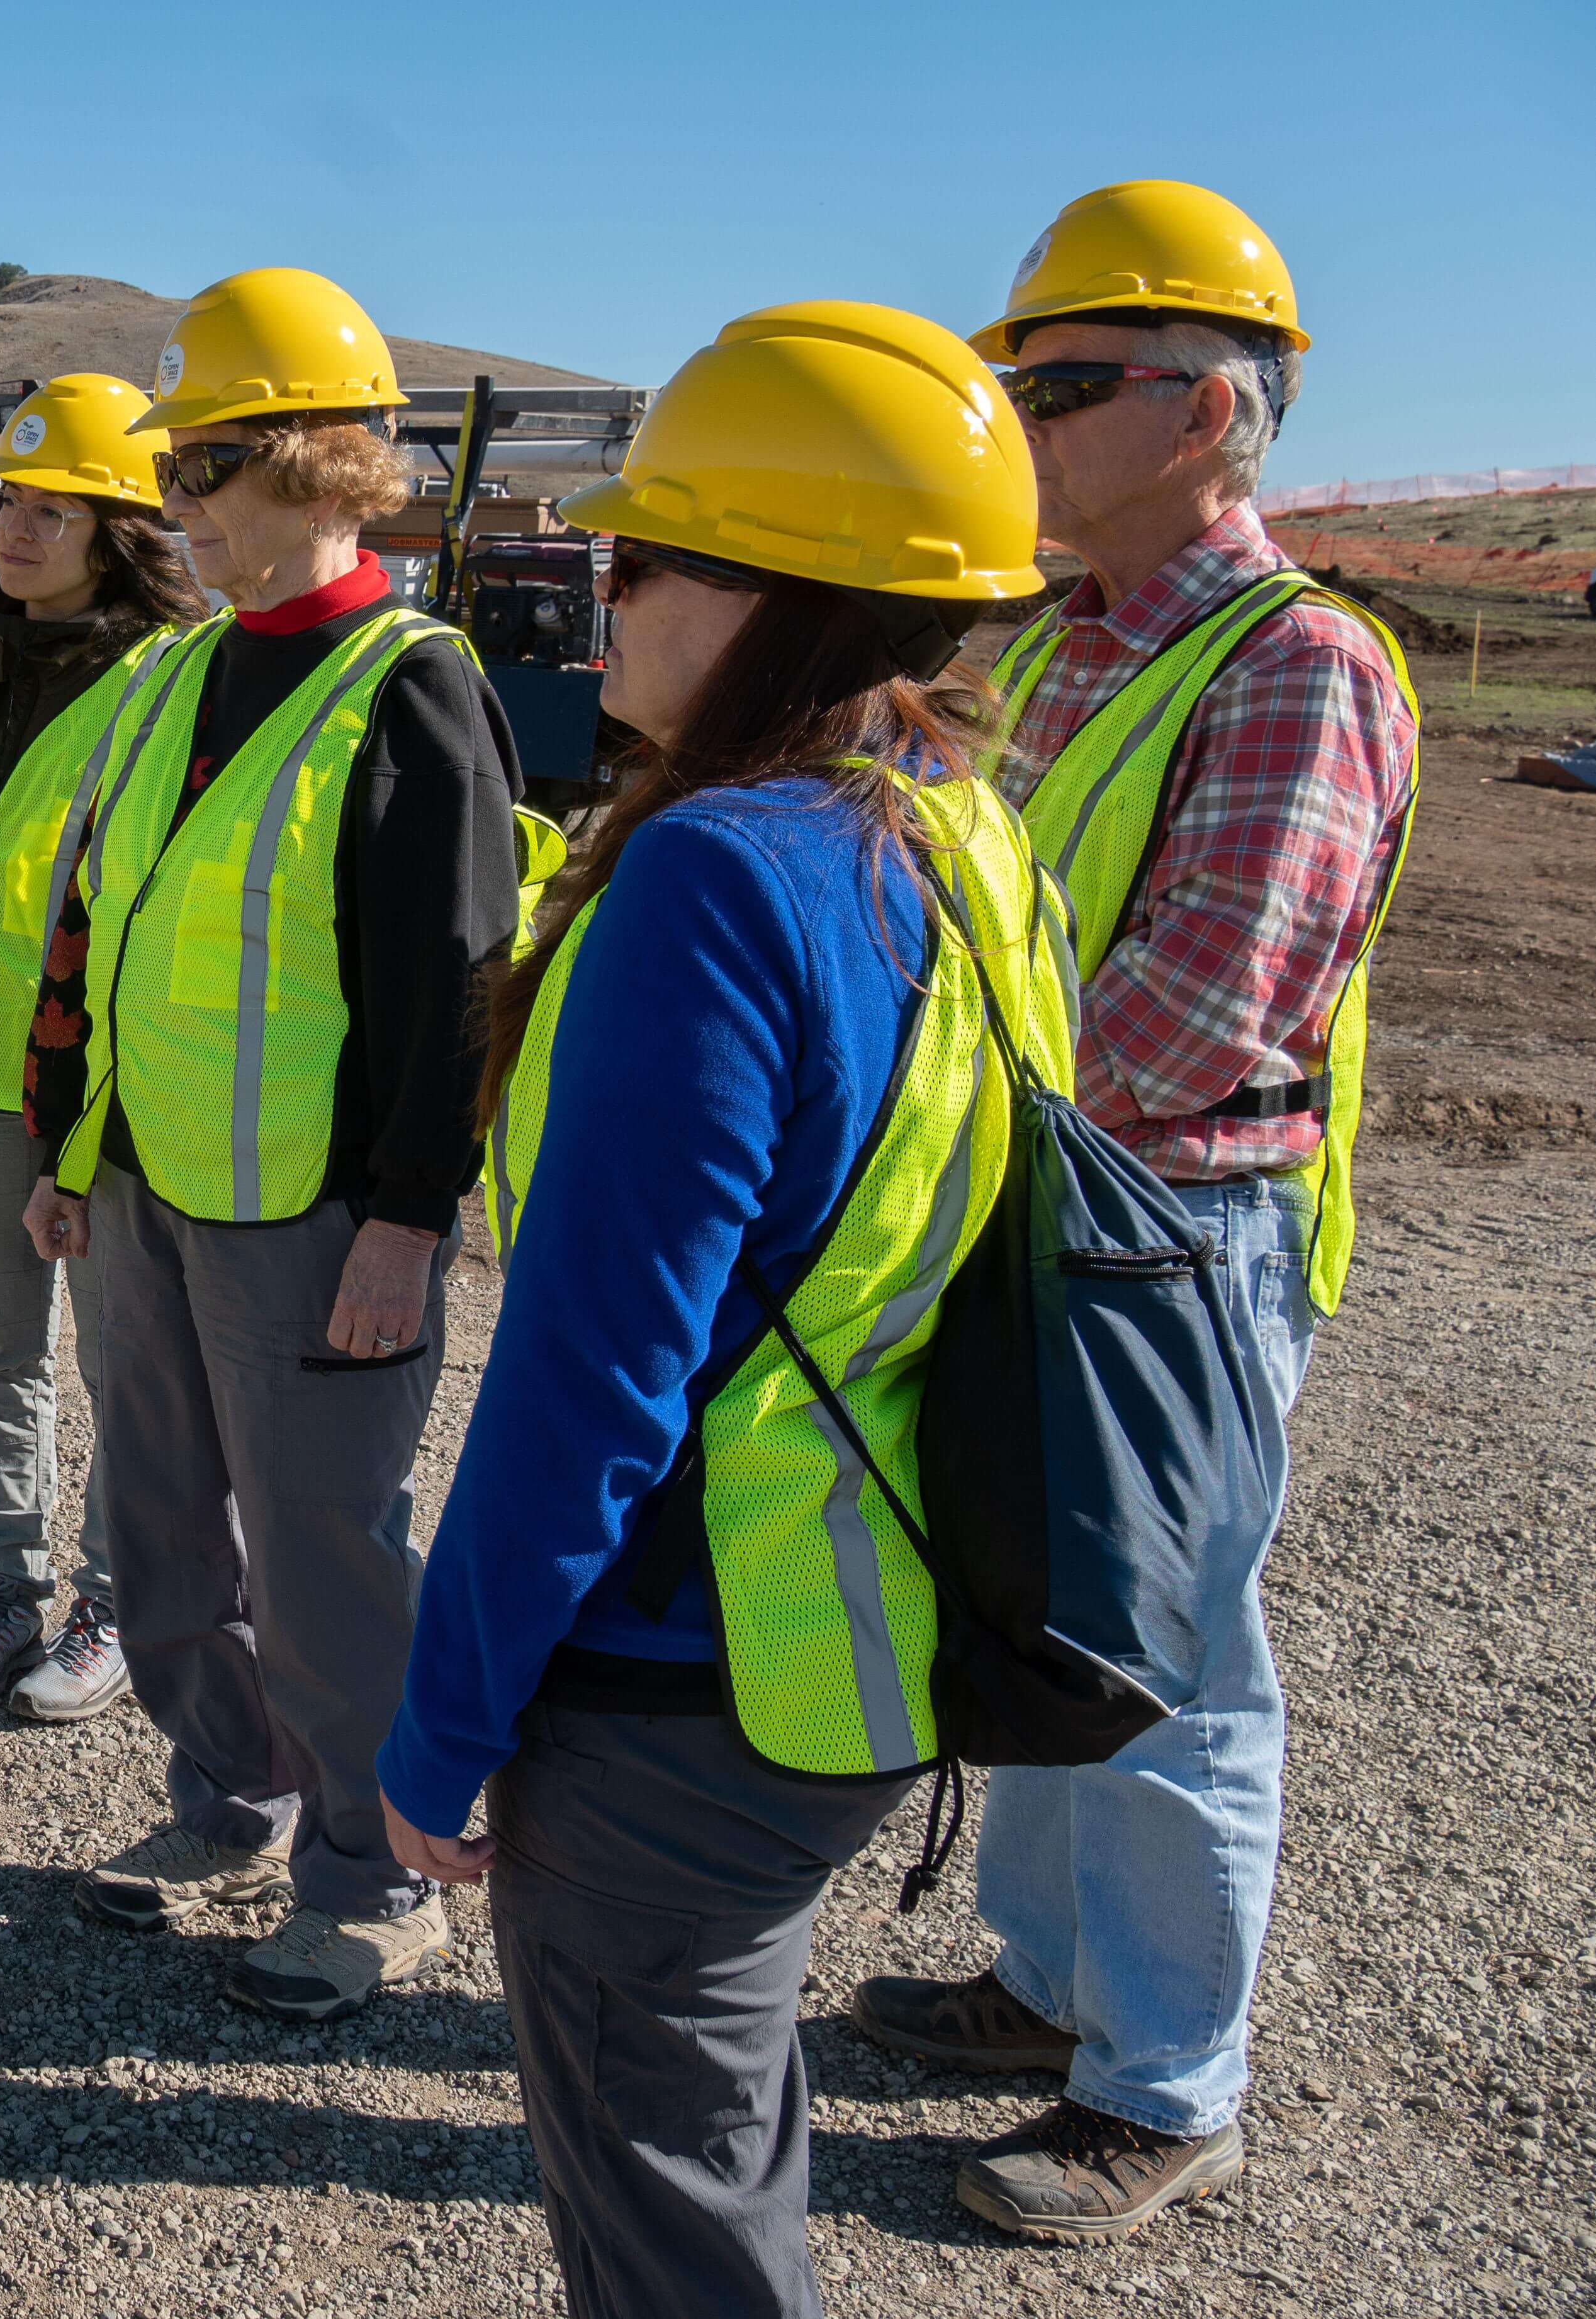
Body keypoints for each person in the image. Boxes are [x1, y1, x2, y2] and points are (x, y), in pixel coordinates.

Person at [377, 301, 1068, 2315]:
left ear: (779, 589)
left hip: (687, 1681)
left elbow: (594, 1384)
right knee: (718, 2139)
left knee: (668, 2229)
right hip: (859, 1645)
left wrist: (437, 1733)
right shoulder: (961, 830)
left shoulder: (718, 879)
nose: (597, 607)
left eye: (633, 562)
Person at [852, 180, 1421, 2244]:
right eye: (1015, 373)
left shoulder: (1297, 667)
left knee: (1168, 1658)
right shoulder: (1050, 646)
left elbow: (1192, 1008)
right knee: (1034, 1599)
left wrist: (908, 1104)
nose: (1020, 412)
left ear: (1205, 410)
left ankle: (1167, 2088)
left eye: (1061, 379)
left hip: (1172, 1240)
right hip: (1039, 1216)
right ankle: (1045, 1988)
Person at [20, 269, 522, 2021]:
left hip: (312, 1222)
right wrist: (69, 1147)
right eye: (173, 470)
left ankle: (372, 1875)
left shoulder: (411, 690)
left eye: (206, 464)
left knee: (321, 1561)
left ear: (323, 462)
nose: (177, 502)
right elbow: (101, 920)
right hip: (152, 1189)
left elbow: (457, 993)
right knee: (155, 1532)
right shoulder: (172, 676)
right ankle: (223, 1797)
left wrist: (407, 1220)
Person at [0, 374, 204, 1720]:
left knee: (120, 1363)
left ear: (123, 529)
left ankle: (110, 1605)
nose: (14, 532)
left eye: (52, 511)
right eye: (8, 504)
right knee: (1, 1348)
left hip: (106, 1080)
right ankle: (2, 1594)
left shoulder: (166, 687)